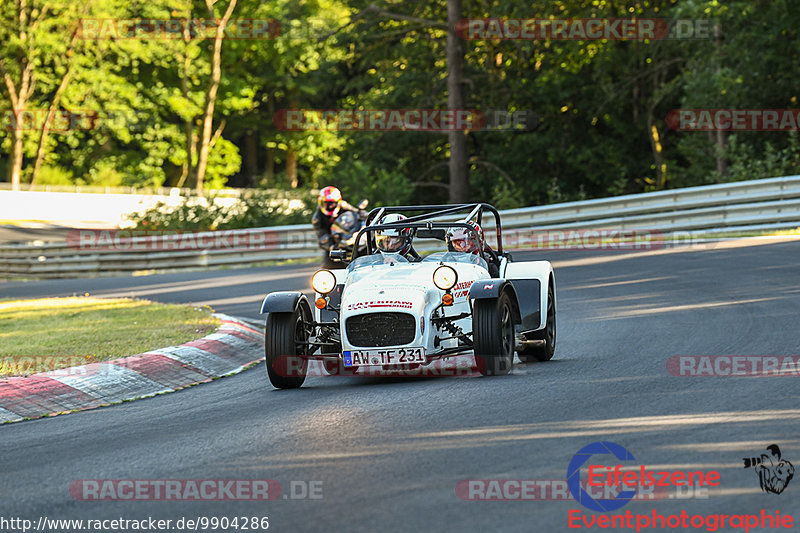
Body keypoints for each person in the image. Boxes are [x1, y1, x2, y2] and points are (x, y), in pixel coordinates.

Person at [312, 186, 366, 252]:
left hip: (351, 236)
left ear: (338, 202)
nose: (330, 206)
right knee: (328, 259)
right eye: (326, 203)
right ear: (321, 202)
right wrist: (334, 246)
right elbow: (321, 236)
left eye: (333, 203)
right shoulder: (317, 218)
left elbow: (357, 212)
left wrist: (365, 215)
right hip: (335, 243)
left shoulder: (343, 205)